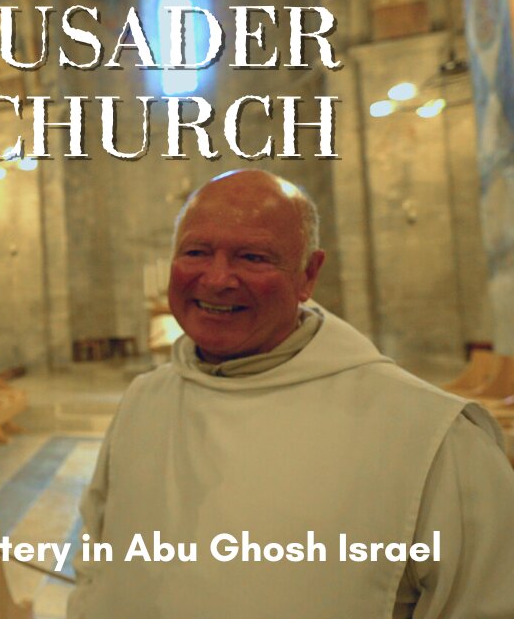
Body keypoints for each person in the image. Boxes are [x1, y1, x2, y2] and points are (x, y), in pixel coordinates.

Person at [68, 169, 514, 619]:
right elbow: (97, 550)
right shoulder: (144, 400)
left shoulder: (433, 437)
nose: (218, 279)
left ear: (309, 274)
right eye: (196, 252)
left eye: (252, 257)